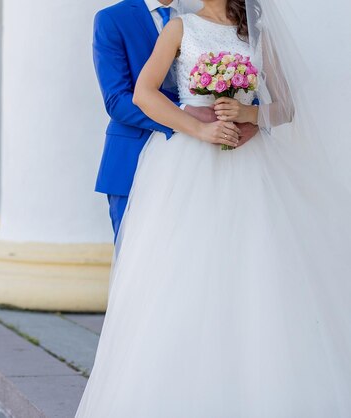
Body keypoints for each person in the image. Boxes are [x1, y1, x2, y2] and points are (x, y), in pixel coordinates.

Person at [77, 0, 351, 416]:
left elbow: (287, 106)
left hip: (252, 165)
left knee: (253, 272)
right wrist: (202, 130)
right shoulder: (180, 27)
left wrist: (249, 115)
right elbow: (141, 94)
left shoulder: (259, 33)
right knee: (182, 274)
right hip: (189, 163)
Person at [92, 0, 258, 240]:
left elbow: (248, 77)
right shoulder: (112, 19)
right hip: (133, 156)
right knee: (138, 260)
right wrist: (186, 113)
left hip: (214, 157)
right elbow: (117, 100)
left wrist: (251, 119)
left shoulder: (203, 12)